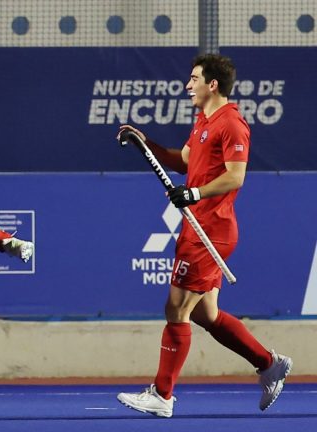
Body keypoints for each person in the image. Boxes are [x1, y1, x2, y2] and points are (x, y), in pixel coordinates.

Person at [115, 54, 292, 418]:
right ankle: (268, 363)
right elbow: (182, 159)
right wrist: (144, 141)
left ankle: (162, 395)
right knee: (206, 314)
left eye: (194, 79)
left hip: (211, 229)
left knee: (176, 308)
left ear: (213, 84)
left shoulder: (232, 124)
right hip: (196, 225)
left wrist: (194, 193)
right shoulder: (202, 120)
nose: (187, 85)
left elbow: (236, 176)